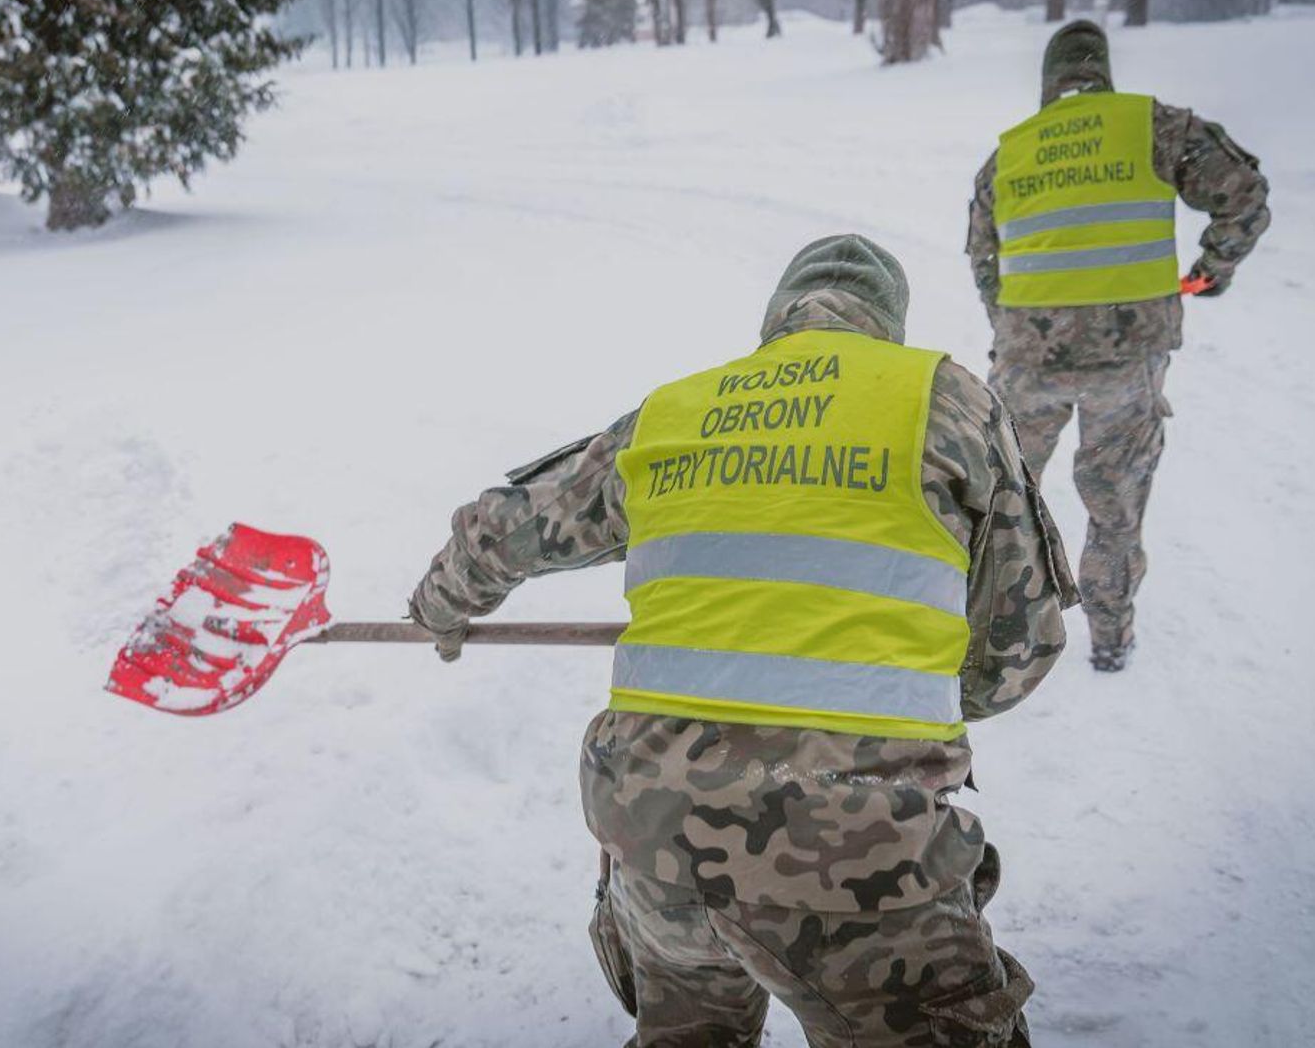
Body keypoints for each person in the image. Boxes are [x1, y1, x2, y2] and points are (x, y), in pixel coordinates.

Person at [408, 235, 1078, 1047]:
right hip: (858, 856)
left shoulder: (675, 410)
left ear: (776, 320)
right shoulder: (945, 402)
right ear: (887, 326)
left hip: (654, 836)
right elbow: (1015, 652)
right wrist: (907, 669)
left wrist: (441, 606)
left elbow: (508, 527)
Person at [966, 20, 1269, 672]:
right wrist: (1212, 269)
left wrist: (1014, 330)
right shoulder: (1154, 127)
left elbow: (983, 260)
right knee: (1114, 504)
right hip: (1126, 366)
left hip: (1027, 366)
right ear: (1103, 72)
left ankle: (992, 637)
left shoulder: (1008, 156)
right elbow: (1243, 193)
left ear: (1048, 82)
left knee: (1001, 497)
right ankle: (1110, 640)